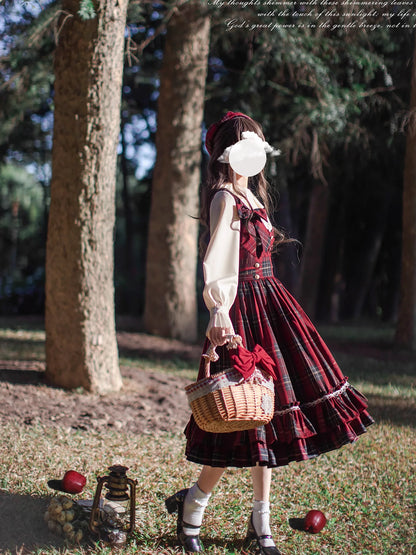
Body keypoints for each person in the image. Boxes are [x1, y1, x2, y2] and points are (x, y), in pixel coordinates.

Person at [165, 111, 374, 554]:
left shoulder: (253, 200)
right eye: (247, 144)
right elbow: (216, 259)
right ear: (227, 152)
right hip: (240, 313)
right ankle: (193, 510)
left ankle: (262, 528)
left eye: (259, 144)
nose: (255, 152)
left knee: (269, 419)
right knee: (235, 418)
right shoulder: (225, 197)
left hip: (272, 307)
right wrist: (219, 312)